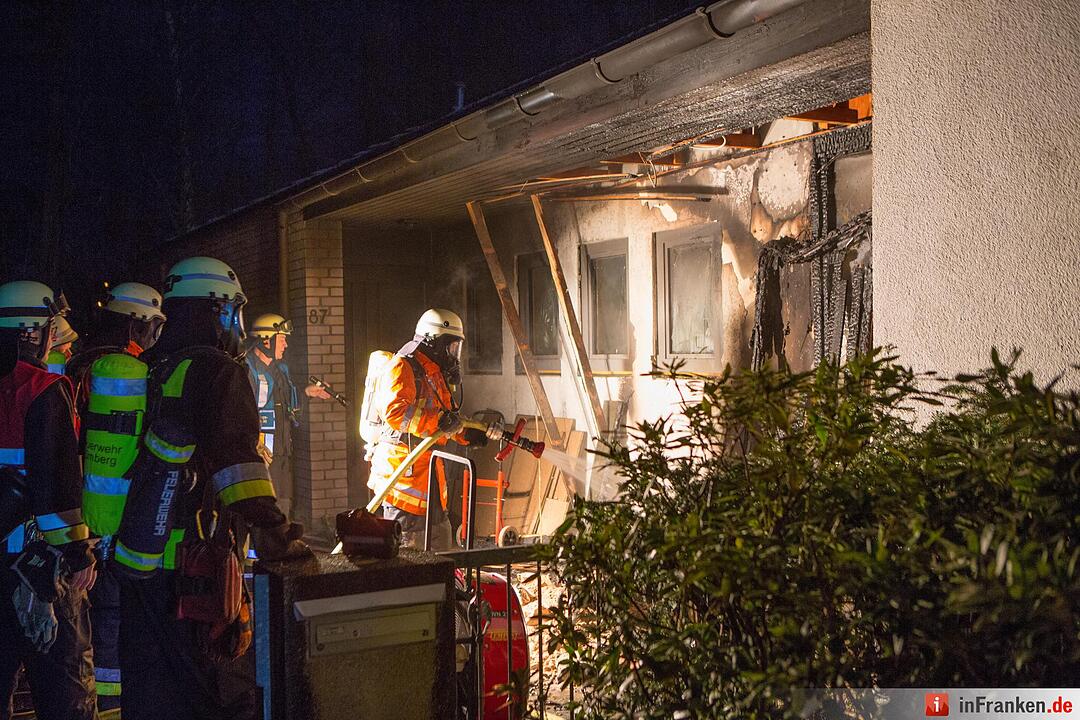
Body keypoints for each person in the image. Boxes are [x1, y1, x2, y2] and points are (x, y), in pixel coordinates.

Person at [117, 257, 310, 720]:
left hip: (140, 564)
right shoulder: (218, 371)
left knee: (155, 700)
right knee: (224, 696)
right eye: (232, 312)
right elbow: (239, 472)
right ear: (216, 310)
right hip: (194, 575)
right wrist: (277, 536)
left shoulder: (153, 367)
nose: (236, 325)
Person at [65, 281, 164, 714]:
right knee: (114, 611)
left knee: (87, 614)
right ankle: (114, 699)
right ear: (136, 324)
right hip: (122, 514)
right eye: (152, 327)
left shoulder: (78, 364)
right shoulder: (132, 372)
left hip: (76, 515)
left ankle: (100, 696)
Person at [0, 280, 97, 720]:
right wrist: (79, 556)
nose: (55, 337)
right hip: (39, 569)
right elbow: (58, 491)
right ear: (29, 331)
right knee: (65, 693)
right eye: (49, 328)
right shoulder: (44, 389)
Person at [366, 309, 487, 551]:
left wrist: (466, 434)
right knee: (410, 560)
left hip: (427, 480)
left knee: (439, 554)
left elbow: (447, 418)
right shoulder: (402, 367)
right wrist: (439, 422)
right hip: (403, 483)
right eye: (451, 347)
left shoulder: (434, 374)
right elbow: (396, 414)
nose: (454, 355)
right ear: (433, 342)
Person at [245, 313, 329, 517]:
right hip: (260, 452)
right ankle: (256, 549)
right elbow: (242, 412)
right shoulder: (247, 370)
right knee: (261, 504)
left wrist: (307, 393)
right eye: (282, 339)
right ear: (267, 340)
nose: (286, 345)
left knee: (282, 502)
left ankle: (278, 543)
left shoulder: (279, 369)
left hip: (281, 451)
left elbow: (282, 403)